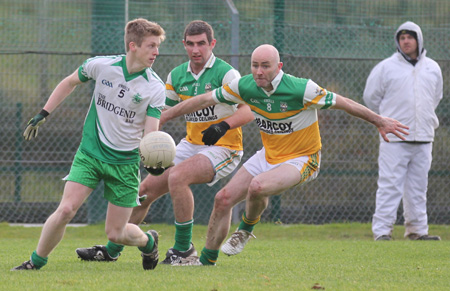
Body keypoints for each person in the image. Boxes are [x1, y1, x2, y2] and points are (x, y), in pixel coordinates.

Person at [158, 44, 409, 266]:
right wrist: (166, 115)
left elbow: (344, 103)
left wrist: (379, 121)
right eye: (255, 65)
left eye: (265, 66)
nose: (259, 71)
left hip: (302, 158)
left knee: (257, 187)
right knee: (223, 198)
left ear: (278, 67)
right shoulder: (245, 86)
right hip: (269, 154)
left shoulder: (302, 89)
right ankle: (206, 261)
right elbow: (204, 99)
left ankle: (245, 229)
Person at [75, 20, 253, 265]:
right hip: (191, 144)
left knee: (178, 176)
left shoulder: (226, 73)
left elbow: (248, 112)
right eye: (190, 44)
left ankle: (184, 250)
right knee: (144, 191)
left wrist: (223, 125)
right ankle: (111, 250)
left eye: (201, 43)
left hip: (224, 148)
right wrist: (143, 144)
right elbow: (160, 115)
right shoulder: (177, 75)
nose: (196, 50)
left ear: (212, 44)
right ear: (184, 45)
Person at [12, 18, 167, 271]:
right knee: (65, 211)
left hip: (124, 163)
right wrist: (44, 113)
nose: (156, 52)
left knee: (116, 234)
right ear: (133, 46)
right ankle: (35, 262)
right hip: (90, 154)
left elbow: (151, 132)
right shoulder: (102, 66)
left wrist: (153, 160)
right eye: (151, 46)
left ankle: (149, 242)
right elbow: (69, 82)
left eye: (157, 46)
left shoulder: (155, 87)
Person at [363, 21, 443, 241]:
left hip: (424, 137)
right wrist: (385, 121)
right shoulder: (385, 68)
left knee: (418, 188)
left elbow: (435, 97)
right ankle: (382, 232)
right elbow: (371, 98)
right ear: (397, 42)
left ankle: (417, 231)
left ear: (419, 39)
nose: (406, 41)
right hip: (394, 138)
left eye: (410, 37)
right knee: (389, 186)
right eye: (402, 37)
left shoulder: (433, 68)